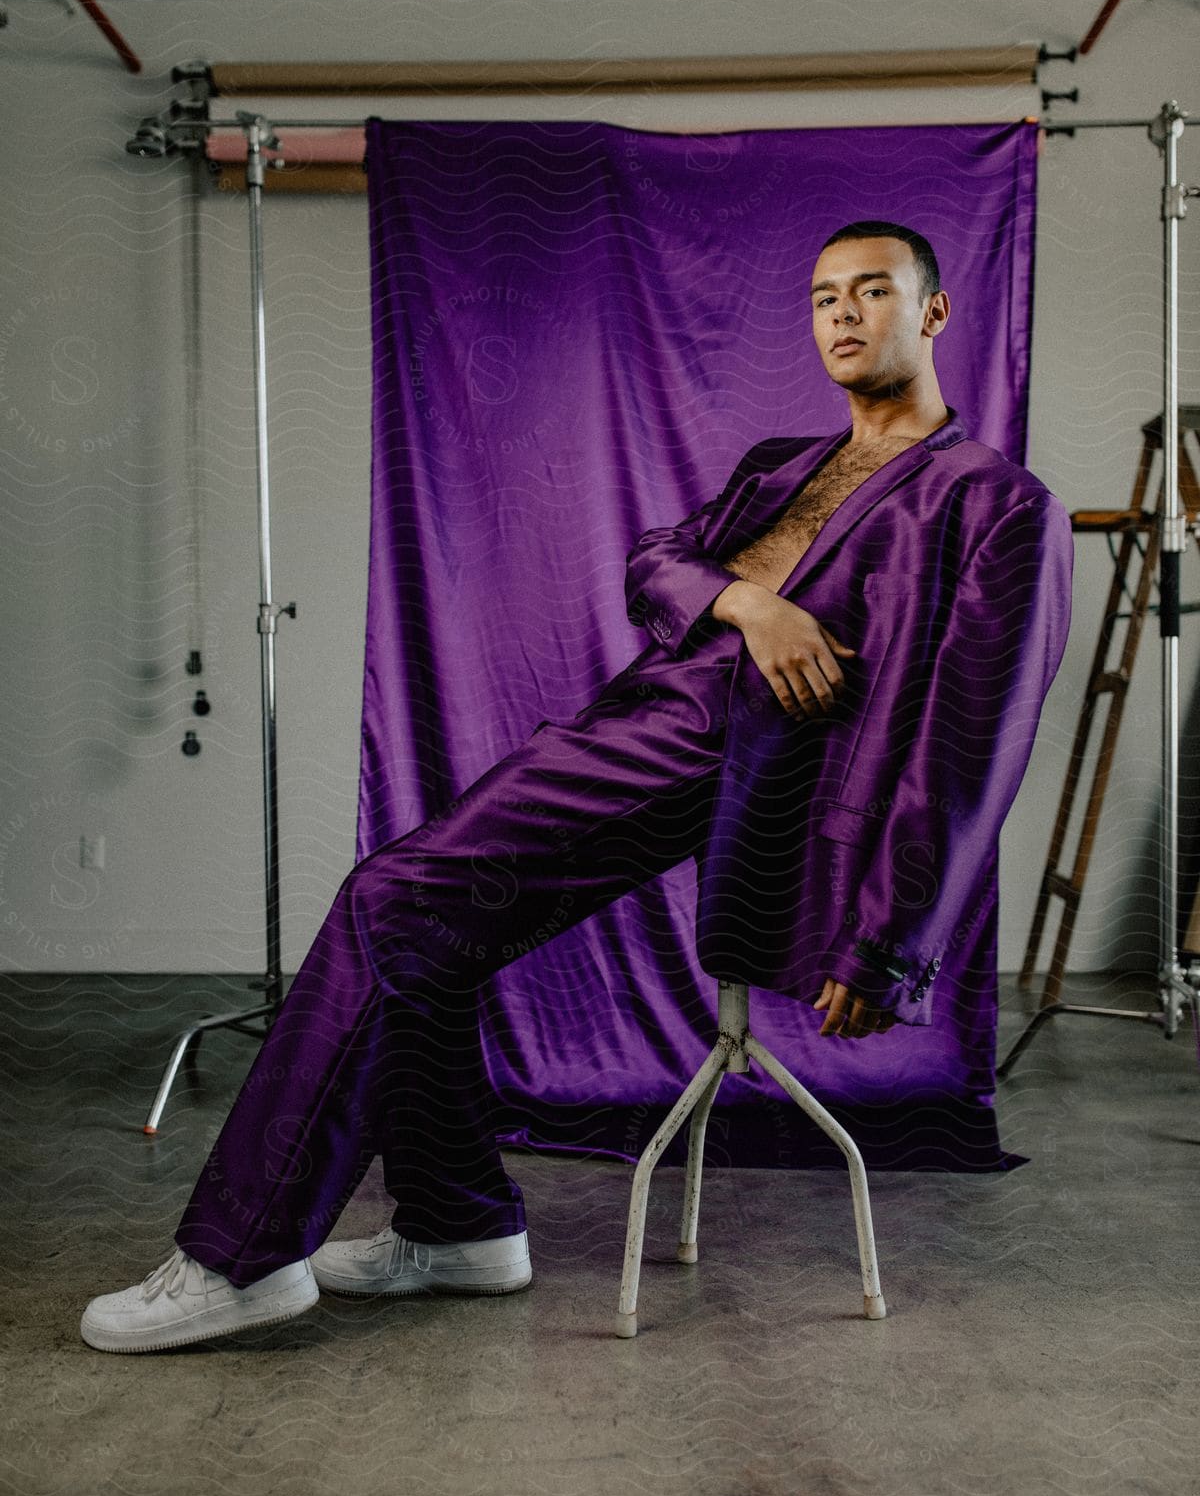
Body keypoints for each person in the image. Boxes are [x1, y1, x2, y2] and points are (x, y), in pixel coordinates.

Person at [81, 220, 1070, 1353]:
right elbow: (656, 562)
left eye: (873, 292)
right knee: (428, 932)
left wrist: (895, 941)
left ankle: (240, 1254)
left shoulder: (998, 504)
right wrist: (752, 603)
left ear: (933, 313)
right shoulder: (781, 465)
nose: (843, 313)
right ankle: (459, 1230)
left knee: (392, 900)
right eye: (822, 296)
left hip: (748, 760)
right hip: (637, 721)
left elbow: (972, 743)